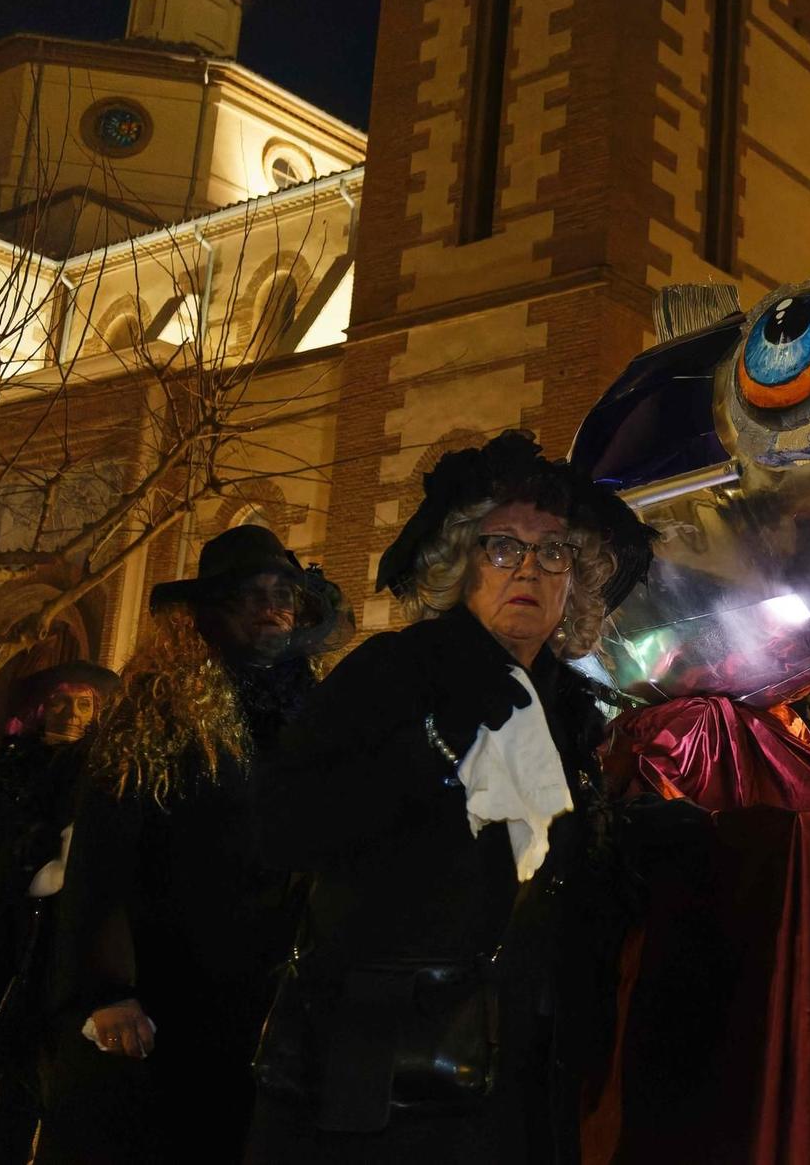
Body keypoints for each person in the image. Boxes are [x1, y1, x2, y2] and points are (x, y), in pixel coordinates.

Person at [245, 430, 661, 1162]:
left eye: (553, 550)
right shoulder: (395, 672)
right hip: (385, 1081)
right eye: (503, 546)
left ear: (576, 581)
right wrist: (432, 748)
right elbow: (280, 827)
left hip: (523, 1080)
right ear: (462, 563)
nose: (529, 567)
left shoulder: (573, 712)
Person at [36, 526, 348, 1163]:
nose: (271, 606)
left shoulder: (304, 710)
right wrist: (107, 989)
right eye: (249, 594)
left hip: (266, 999)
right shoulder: (157, 710)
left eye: (283, 592)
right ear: (206, 614)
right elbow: (103, 854)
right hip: (167, 1000)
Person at [0, 661, 118, 1163]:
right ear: (41, 707)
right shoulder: (0, 771)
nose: (71, 713)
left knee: (57, 1078)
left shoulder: (110, 771)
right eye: (60, 701)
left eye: (83, 704)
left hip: (68, 945)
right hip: (0, 941)